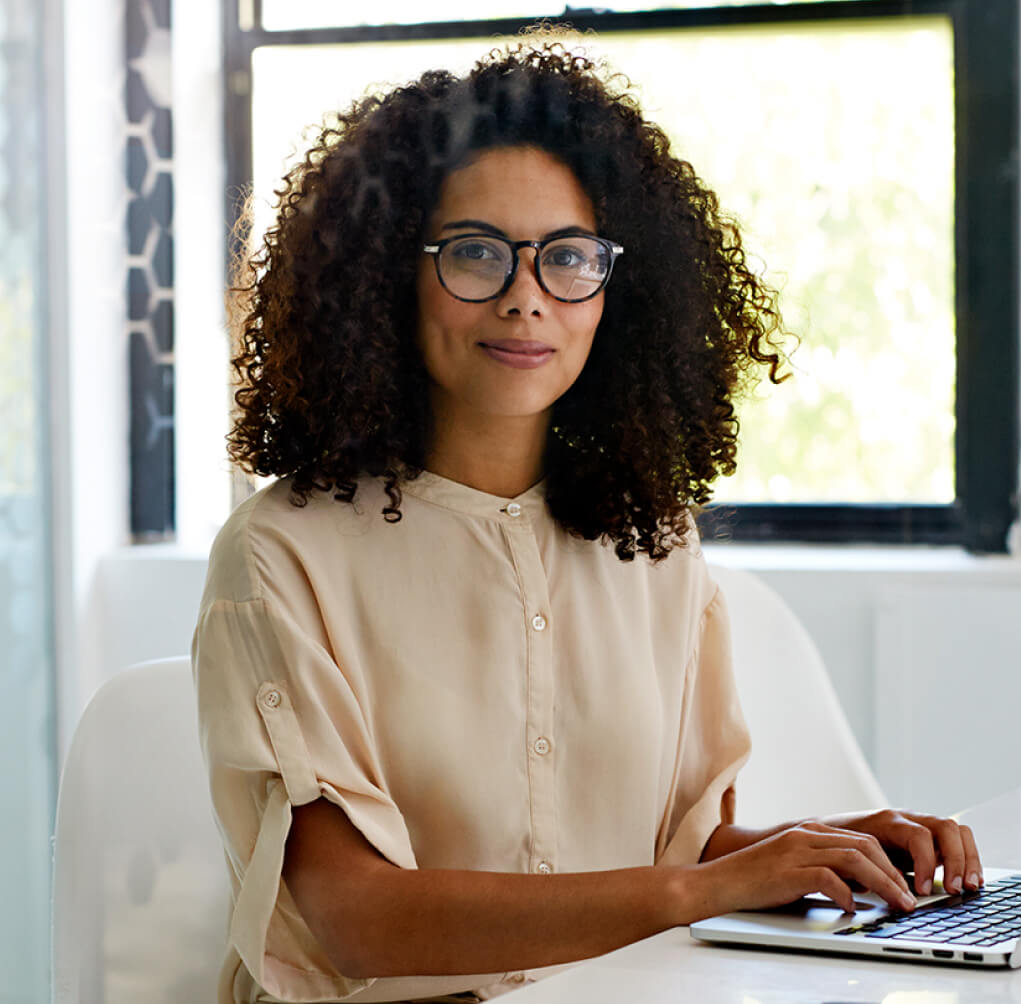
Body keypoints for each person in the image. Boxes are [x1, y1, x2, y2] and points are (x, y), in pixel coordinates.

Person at [194, 38, 981, 1004]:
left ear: (616, 293)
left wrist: (837, 850)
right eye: (476, 253)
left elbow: (677, 854)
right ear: (383, 277)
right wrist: (702, 888)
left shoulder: (650, 539)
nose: (527, 297)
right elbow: (354, 919)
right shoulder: (281, 557)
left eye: (567, 257)